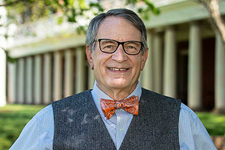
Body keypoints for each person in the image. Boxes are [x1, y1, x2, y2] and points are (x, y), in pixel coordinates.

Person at [10, 8, 216, 150]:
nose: (120, 57)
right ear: (90, 55)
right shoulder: (49, 121)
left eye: (131, 46)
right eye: (108, 45)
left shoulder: (181, 119)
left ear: (143, 57)